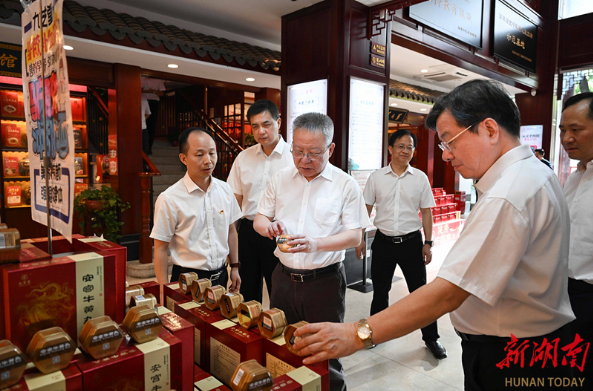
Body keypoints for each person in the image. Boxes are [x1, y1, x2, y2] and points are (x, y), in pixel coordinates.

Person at [292, 80, 575, 391]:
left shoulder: (508, 194)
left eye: (449, 141)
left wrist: (356, 333)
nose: (446, 155)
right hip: (532, 344)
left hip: (512, 351)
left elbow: (448, 292)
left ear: (490, 130)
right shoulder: (536, 173)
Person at [253, 112, 369, 391]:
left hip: (324, 282)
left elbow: (355, 235)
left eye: (314, 153)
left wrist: (315, 243)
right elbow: (259, 219)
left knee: (326, 352)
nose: (304, 159)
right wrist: (268, 227)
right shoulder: (280, 179)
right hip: (282, 278)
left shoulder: (345, 184)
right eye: (298, 151)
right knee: (281, 341)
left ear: (330, 149)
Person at [356, 128, 446, 360]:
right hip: (383, 242)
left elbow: (426, 212)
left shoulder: (420, 178)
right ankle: (374, 335)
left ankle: (431, 338)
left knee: (421, 294)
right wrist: (360, 238)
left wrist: (428, 242)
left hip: (412, 243)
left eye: (409, 147)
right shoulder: (377, 177)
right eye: (401, 146)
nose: (405, 151)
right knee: (380, 292)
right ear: (390, 149)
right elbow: (365, 209)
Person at [150, 127, 242, 297]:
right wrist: (163, 290)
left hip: (221, 277)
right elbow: (160, 249)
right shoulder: (170, 198)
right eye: (199, 155)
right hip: (188, 280)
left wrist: (234, 267)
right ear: (183, 158)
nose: (208, 161)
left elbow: (231, 231)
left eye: (212, 153)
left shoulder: (225, 190)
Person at [227, 100, 293, 303]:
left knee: (280, 290)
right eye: (255, 126)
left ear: (279, 122)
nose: (261, 131)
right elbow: (234, 203)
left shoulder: (294, 157)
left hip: (280, 232)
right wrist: (230, 241)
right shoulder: (243, 158)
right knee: (247, 290)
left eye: (266, 124)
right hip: (247, 231)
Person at [560, 91, 593, 386]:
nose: (567, 137)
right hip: (564, 294)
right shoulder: (575, 176)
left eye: (576, 129)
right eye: (562, 130)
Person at [142, 76, 166, 154]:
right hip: (141, 101)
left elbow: (162, 93)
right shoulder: (139, 78)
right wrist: (143, 90)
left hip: (153, 102)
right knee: (141, 123)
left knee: (151, 125)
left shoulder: (158, 80)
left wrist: (152, 91)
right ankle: (141, 147)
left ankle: (148, 148)